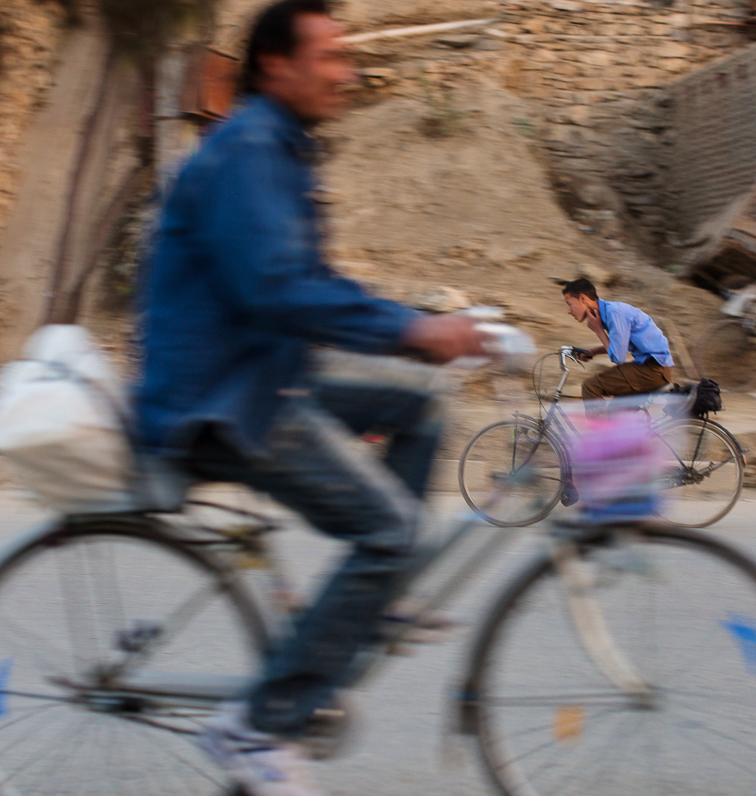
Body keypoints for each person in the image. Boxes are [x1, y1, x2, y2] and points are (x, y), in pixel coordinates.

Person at [134, 1, 489, 794]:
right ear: (274, 66)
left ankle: (372, 601)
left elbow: (314, 283)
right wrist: (412, 331)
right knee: (393, 532)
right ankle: (259, 729)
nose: (345, 72)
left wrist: (418, 328)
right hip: (221, 400)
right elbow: (278, 289)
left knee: (424, 404)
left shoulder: (283, 149)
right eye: (328, 57)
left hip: (259, 370)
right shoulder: (251, 149)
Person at [562, 278, 674, 404]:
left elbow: (618, 357)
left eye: (569, 304)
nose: (569, 311)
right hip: (653, 369)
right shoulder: (608, 312)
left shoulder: (615, 313)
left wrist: (599, 330)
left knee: (591, 387)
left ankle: (597, 425)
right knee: (616, 413)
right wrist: (594, 352)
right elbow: (619, 344)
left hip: (653, 370)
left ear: (583, 299)